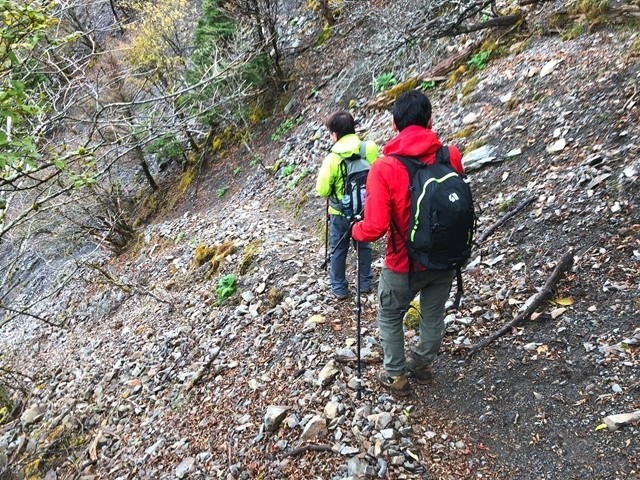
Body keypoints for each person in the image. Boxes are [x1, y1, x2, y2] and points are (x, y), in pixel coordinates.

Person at [351, 90, 465, 396]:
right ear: (430, 120)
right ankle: (421, 365)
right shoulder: (450, 155)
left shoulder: (384, 168)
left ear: (393, 124)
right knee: (433, 314)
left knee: (389, 315)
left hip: (403, 263)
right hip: (445, 257)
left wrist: (355, 231)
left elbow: (374, 228)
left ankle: (396, 377)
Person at [316, 111, 379, 300]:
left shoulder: (332, 158)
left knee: (338, 249)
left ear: (334, 134)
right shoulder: (369, 149)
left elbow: (322, 190)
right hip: (364, 211)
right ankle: (365, 283)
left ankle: (339, 288)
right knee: (364, 247)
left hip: (339, 213)